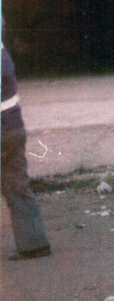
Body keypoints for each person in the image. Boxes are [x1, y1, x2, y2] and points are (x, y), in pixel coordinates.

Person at [2, 39, 51, 260]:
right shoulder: (3, 52)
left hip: (3, 131)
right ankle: (35, 244)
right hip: (13, 129)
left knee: (16, 186)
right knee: (18, 186)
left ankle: (34, 244)